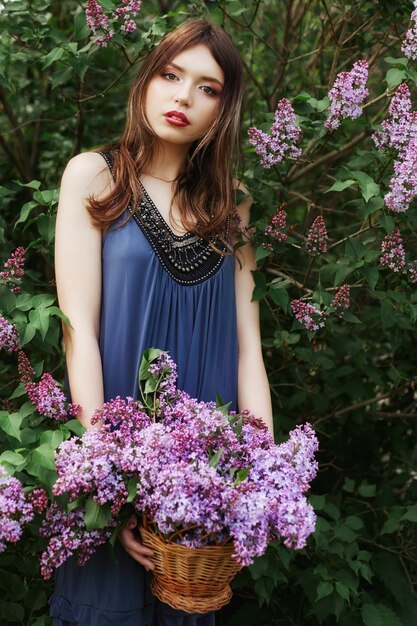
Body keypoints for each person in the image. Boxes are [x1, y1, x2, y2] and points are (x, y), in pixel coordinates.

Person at [52, 18, 274, 626]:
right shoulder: (94, 176)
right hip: (118, 453)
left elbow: (249, 350)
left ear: (222, 109)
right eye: (171, 75)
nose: (182, 97)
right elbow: (81, 334)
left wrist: (258, 484)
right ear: (146, 79)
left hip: (204, 482)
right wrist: (115, 485)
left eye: (207, 87)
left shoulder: (235, 204)